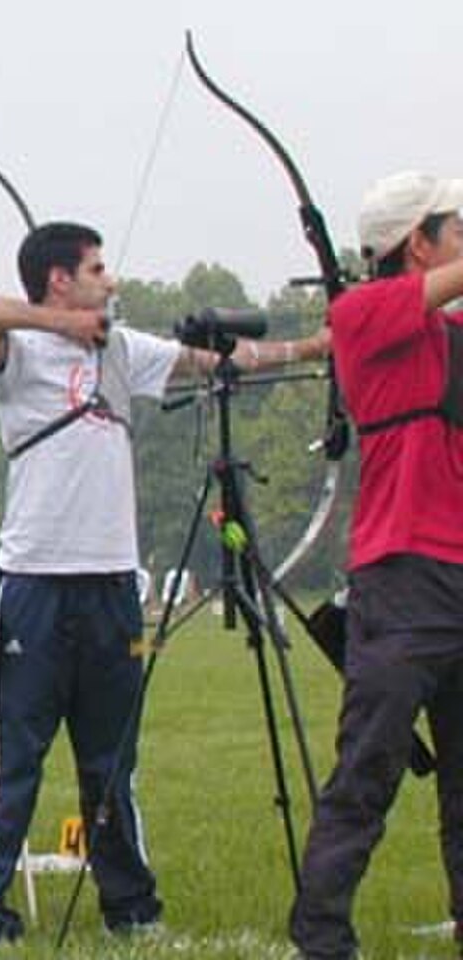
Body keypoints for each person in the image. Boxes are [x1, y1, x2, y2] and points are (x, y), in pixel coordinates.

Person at [0, 221, 330, 944]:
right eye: (96, 269)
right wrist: (61, 323)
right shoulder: (18, 352)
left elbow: (220, 362)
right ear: (60, 280)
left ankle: (130, 907)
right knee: (16, 756)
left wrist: (311, 348)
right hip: (36, 582)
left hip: (112, 584)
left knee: (111, 757)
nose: (111, 279)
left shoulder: (122, 351)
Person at [289, 172, 463, 960]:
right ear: (417, 243)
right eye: (453, 226)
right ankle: (322, 936)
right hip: (402, 575)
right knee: (369, 768)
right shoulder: (359, 315)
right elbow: (392, 305)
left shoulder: (449, 332)